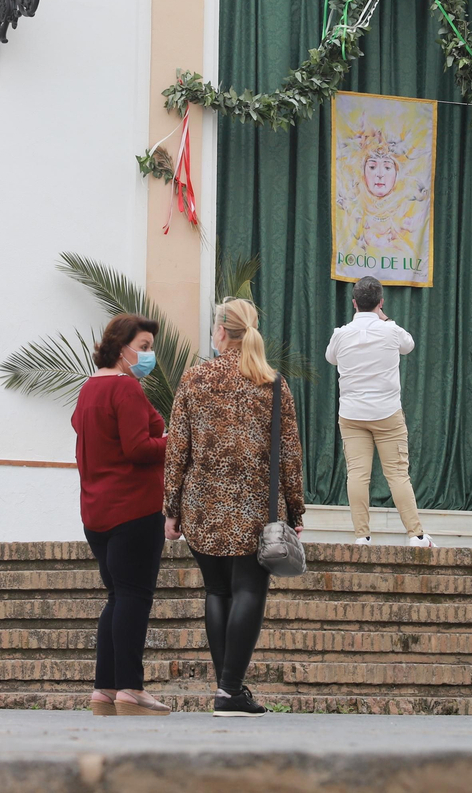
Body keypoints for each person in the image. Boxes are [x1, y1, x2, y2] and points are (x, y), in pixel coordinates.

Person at [164, 297, 305, 717]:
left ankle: (229, 690)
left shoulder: (194, 379)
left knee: (217, 590)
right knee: (248, 589)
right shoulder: (272, 383)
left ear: (222, 332)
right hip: (256, 507)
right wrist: (295, 512)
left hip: (203, 505)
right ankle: (229, 691)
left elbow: (177, 450)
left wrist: (170, 507)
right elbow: (290, 455)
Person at [70, 313, 170, 717]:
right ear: (122, 347)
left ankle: (105, 689)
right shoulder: (126, 389)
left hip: (96, 510)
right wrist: (177, 441)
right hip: (134, 508)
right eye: (144, 347)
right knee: (134, 597)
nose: (149, 355)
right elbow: (138, 448)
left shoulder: (88, 389)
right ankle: (131, 688)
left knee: (116, 598)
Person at [324, 276, 432, 547]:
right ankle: (416, 535)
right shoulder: (392, 330)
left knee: (357, 474)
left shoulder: (341, 334)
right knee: (397, 474)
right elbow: (409, 345)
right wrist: (384, 318)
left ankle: (362, 536)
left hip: (352, 415)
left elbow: (330, 358)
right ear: (381, 303)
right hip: (387, 414)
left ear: (354, 303)